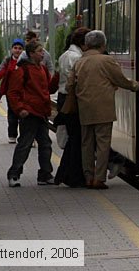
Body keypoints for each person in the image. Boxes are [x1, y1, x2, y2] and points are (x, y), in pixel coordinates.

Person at [70, 30, 139, 189]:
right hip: (103, 107)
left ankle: (88, 177)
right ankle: (99, 178)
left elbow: (71, 85)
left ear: (87, 45)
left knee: (86, 143)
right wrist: (136, 85)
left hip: (85, 107)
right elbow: (120, 80)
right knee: (103, 143)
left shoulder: (79, 62)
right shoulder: (106, 60)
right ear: (103, 44)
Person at [5, 41, 59, 187]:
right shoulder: (23, 70)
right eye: (40, 51)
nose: (43, 54)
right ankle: (15, 174)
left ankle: (44, 174)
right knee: (25, 144)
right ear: (31, 53)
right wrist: (20, 109)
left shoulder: (41, 69)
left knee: (44, 144)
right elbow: (13, 92)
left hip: (40, 112)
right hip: (29, 113)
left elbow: (49, 89)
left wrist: (58, 76)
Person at [54, 27, 90, 188]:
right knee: (76, 139)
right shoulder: (77, 58)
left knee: (73, 138)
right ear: (83, 43)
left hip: (64, 99)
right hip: (72, 100)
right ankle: (70, 175)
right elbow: (78, 82)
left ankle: (65, 173)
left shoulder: (64, 56)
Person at [0, 38, 25, 143]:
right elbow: (1, 71)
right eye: (15, 48)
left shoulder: (26, 62)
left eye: (20, 48)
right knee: (12, 114)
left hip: (24, 93)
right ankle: (12, 135)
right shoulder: (8, 61)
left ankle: (25, 136)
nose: (17, 50)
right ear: (11, 49)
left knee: (24, 115)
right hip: (11, 93)